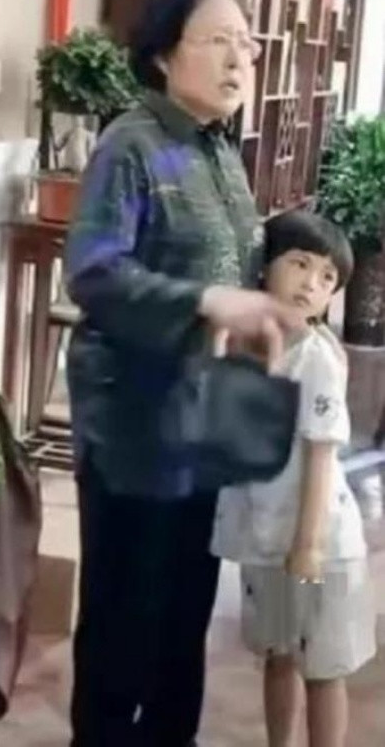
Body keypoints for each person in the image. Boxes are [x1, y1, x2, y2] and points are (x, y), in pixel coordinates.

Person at [64, 0, 300, 747]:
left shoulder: (221, 150)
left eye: (247, 44)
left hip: (202, 427)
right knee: (123, 632)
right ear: (165, 52)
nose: (239, 60)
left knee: (182, 628)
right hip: (132, 431)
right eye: (219, 40)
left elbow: (231, 270)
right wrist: (204, 302)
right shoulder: (131, 144)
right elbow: (94, 272)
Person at [212, 211, 376, 747]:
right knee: (279, 654)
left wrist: (308, 547)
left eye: (328, 277)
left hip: (317, 548)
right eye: (300, 264)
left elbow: (322, 455)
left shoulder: (316, 359)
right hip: (267, 541)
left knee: (323, 666)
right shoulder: (246, 346)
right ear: (266, 266)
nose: (311, 283)